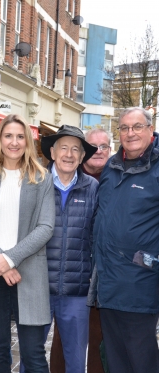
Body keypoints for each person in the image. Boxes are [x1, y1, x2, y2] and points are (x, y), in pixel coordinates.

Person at [0, 114, 55, 373]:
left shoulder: (42, 179)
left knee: (34, 354)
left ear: (28, 142)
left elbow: (46, 227)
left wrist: (11, 258)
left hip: (29, 272)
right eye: (8, 136)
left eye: (20, 137)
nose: (14, 142)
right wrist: (2, 262)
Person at [23, 125, 97, 373]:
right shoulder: (33, 182)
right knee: (30, 359)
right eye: (63, 148)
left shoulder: (93, 189)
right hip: (37, 289)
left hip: (77, 291)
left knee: (76, 361)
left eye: (75, 149)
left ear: (82, 156)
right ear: (52, 152)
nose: (69, 154)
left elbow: (97, 237)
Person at [92, 107, 159, 373]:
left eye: (137, 127)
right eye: (124, 128)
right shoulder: (111, 166)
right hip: (107, 283)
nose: (130, 133)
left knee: (141, 360)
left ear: (150, 130)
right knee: (116, 358)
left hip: (140, 284)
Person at [50, 128, 112, 373]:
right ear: (53, 153)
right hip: (46, 283)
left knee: (90, 343)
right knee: (50, 348)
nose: (98, 151)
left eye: (103, 146)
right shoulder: (40, 181)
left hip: (84, 283)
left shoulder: (105, 183)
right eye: (64, 148)